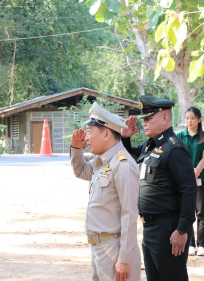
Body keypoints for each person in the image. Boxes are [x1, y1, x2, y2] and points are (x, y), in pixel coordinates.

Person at [121, 95, 197, 281]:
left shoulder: (174, 149)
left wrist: (181, 230)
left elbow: (189, 190)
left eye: (148, 118)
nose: (144, 123)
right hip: (150, 228)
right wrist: (125, 138)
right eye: (143, 119)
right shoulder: (152, 146)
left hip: (168, 229)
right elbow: (130, 157)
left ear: (164, 118)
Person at [70, 102, 141, 281]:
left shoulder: (122, 165)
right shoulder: (101, 162)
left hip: (114, 248)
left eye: (90, 132)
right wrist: (77, 149)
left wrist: (124, 258)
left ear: (107, 133)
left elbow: (129, 214)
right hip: (100, 248)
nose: (87, 137)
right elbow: (80, 171)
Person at [177, 107, 204, 257]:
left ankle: (202, 245)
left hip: (202, 178)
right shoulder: (179, 136)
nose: (189, 121)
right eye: (187, 118)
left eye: (192, 118)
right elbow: (177, 156)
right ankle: (190, 244)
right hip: (184, 180)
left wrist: (196, 171)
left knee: (201, 211)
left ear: (199, 119)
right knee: (187, 210)